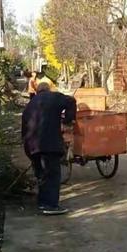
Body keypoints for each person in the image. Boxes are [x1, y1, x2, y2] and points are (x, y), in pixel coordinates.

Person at [21, 82, 77, 215]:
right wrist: (68, 120)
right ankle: (50, 205)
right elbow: (71, 101)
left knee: (41, 174)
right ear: (48, 90)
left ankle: (42, 202)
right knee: (52, 173)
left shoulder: (30, 104)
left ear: (37, 91)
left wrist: (29, 150)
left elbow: (24, 128)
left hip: (32, 145)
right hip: (49, 142)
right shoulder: (54, 97)